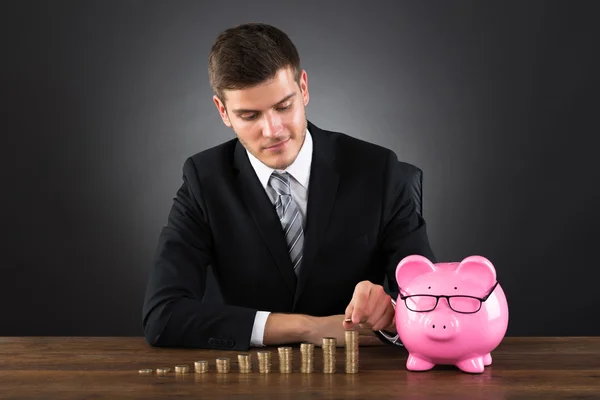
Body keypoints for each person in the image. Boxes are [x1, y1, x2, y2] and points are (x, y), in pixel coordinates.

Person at [142, 22, 436, 351]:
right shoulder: (202, 179)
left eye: (284, 106)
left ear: (304, 88)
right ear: (223, 111)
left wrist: (395, 313)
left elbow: (433, 301)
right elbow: (163, 315)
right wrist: (308, 328)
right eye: (250, 115)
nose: (273, 130)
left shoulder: (379, 170)